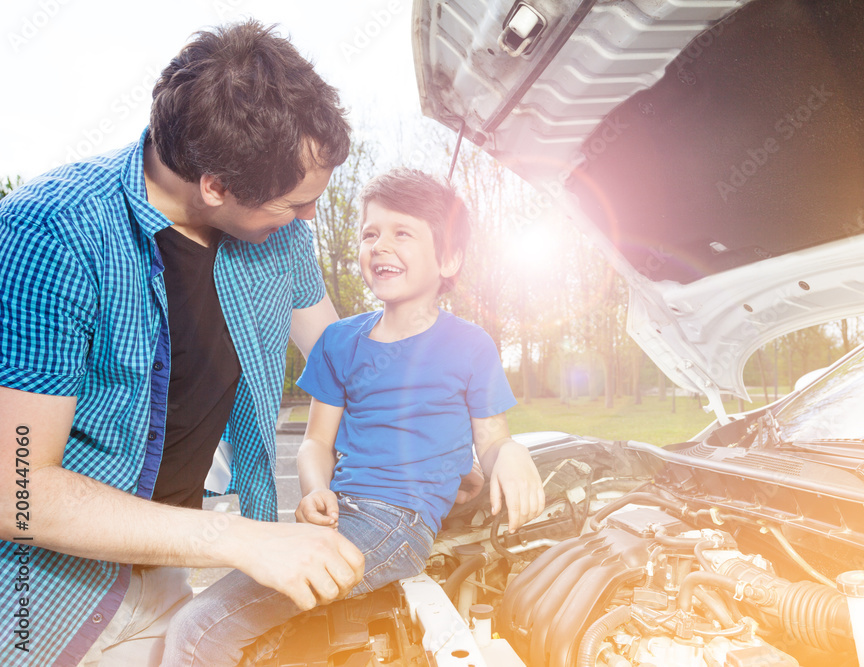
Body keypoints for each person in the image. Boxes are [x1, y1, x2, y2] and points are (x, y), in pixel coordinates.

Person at [0, 21, 366, 666]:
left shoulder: (279, 236)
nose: (309, 217)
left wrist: (464, 437)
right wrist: (242, 540)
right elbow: (17, 489)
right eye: (290, 204)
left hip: (172, 568)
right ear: (216, 187)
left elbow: (345, 362)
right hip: (45, 596)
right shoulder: (52, 233)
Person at [163, 167, 546, 665]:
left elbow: (493, 441)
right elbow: (316, 443)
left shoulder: (470, 346)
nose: (380, 245)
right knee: (266, 638)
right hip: (340, 515)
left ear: (448, 258)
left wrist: (512, 454)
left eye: (402, 232)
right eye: (370, 233)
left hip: (396, 524)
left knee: (199, 626)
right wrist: (315, 488)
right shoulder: (339, 342)